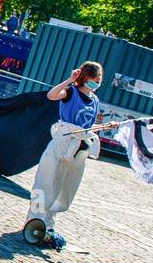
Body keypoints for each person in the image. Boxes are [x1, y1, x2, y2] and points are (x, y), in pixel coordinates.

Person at [25, 61, 103, 249]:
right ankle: (34, 221)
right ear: (86, 76)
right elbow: (51, 95)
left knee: (63, 188)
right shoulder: (70, 92)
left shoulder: (95, 100)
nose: (99, 81)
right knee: (45, 183)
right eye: (96, 77)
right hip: (62, 143)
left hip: (79, 148)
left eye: (100, 78)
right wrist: (70, 80)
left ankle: (48, 226)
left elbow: (88, 125)